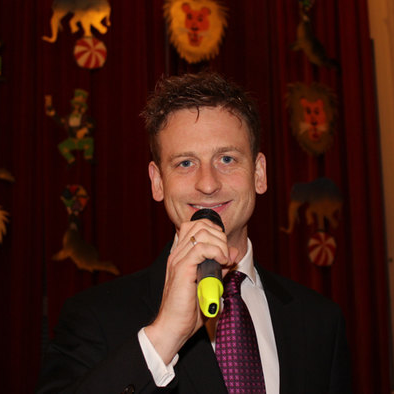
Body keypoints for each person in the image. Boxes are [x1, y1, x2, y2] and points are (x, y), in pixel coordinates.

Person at [36, 71, 352, 393]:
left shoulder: (320, 321)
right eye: (185, 163)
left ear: (259, 173)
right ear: (158, 182)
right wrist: (164, 336)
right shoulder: (93, 317)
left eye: (226, 159)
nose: (208, 184)